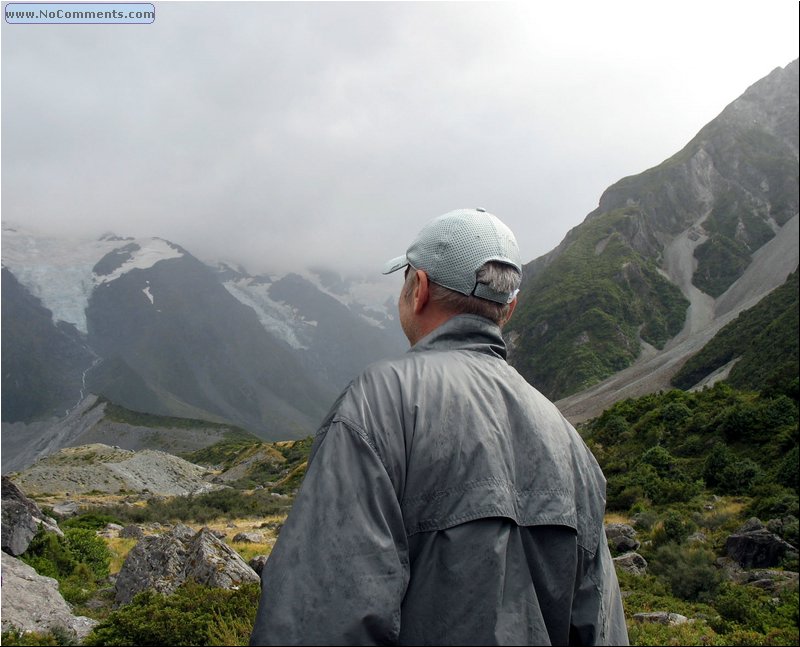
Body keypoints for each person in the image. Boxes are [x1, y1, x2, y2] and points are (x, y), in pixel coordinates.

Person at [250, 208, 629, 646]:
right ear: (509, 308)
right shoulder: (568, 440)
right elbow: (600, 628)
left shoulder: (380, 401)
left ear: (419, 289)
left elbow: (320, 613)